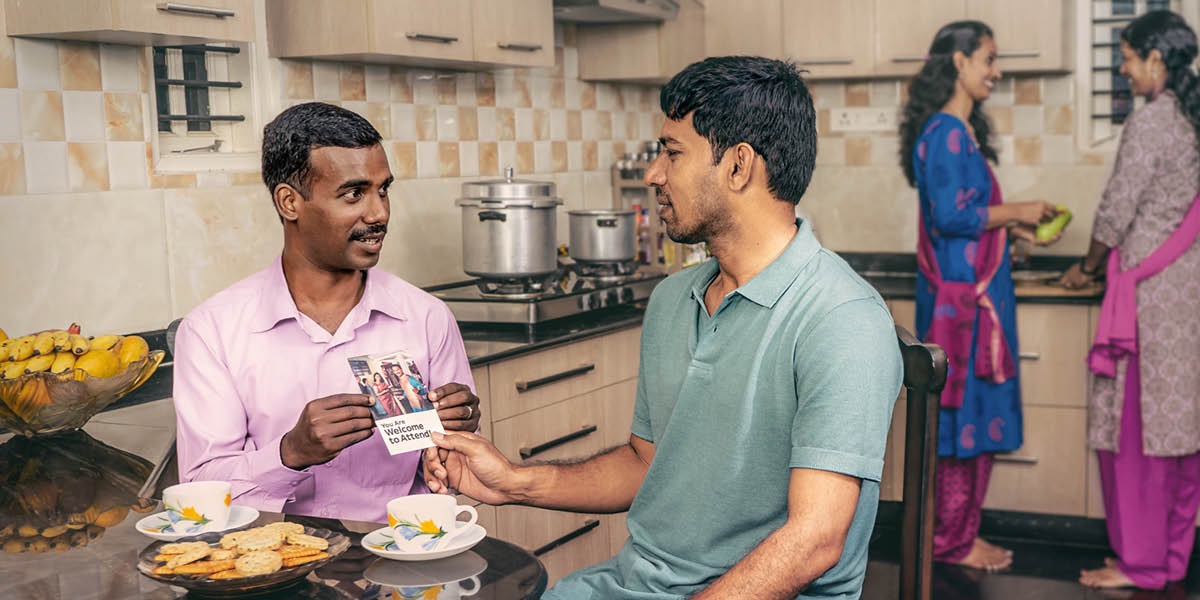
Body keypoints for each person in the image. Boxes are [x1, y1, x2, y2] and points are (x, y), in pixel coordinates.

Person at [424, 56, 903, 599]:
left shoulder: (842, 318)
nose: (654, 173)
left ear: (739, 166)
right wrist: (514, 482)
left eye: (672, 152)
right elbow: (645, 463)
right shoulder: (675, 298)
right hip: (637, 585)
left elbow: (815, 540)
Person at [172, 102, 482, 523]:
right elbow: (200, 492)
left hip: (402, 564)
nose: (379, 213)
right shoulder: (212, 332)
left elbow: (455, 474)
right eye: (354, 193)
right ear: (289, 202)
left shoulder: (427, 318)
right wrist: (291, 453)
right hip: (273, 569)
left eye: (383, 189)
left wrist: (455, 437)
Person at [897, 21, 1062, 571]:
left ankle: (962, 537)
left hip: (975, 303)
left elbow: (967, 218)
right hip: (960, 311)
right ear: (959, 63)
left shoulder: (959, 134)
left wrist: (1017, 231)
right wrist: (1021, 211)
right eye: (989, 59)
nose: (996, 71)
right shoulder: (944, 132)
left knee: (973, 418)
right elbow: (950, 218)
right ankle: (950, 542)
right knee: (956, 421)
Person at [1058, 10, 1200, 590]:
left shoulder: (1151, 123)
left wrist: (1086, 266)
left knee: (1138, 438)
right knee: (1179, 435)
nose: (1121, 67)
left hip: (1144, 302)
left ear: (1155, 60)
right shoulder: (1192, 119)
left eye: (1127, 56)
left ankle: (1138, 565)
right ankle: (1169, 559)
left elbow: (1116, 212)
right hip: (1184, 294)